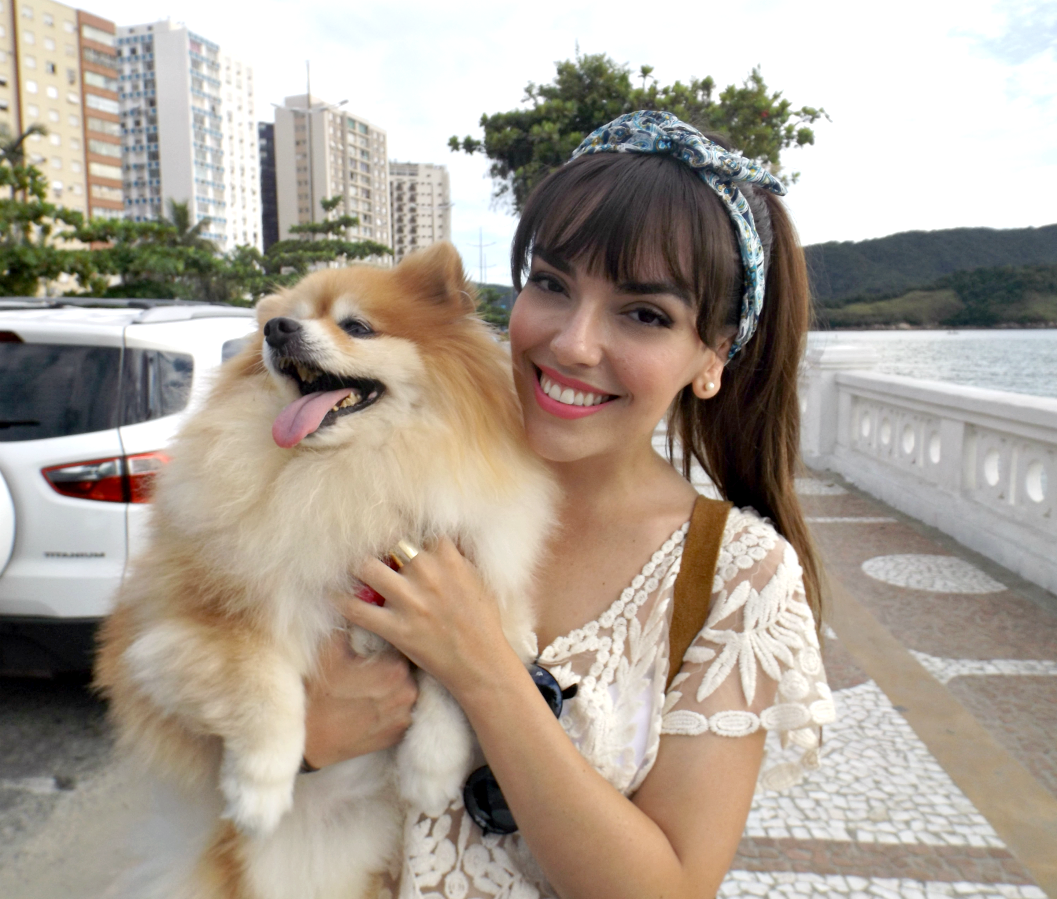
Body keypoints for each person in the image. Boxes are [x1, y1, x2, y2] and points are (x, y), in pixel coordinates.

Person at [304, 110, 834, 899]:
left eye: (644, 313)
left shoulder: (735, 579)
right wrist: (297, 742)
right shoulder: (390, 466)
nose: (573, 343)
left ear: (711, 356)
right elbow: (195, 688)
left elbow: (668, 888)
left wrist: (483, 669)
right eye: (550, 284)